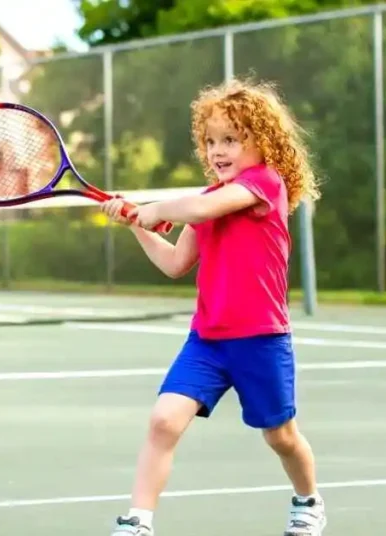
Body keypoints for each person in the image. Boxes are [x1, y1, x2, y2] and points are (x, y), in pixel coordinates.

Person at [100, 78, 324, 536]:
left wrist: (155, 206)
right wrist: (138, 225)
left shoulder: (264, 185)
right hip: (207, 341)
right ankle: (138, 521)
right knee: (164, 421)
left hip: (261, 341)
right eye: (210, 141)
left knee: (280, 436)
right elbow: (175, 263)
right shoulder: (205, 202)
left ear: (263, 143)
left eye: (231, 140)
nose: (218, 150)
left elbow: (202, 209)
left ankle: (308, 501)